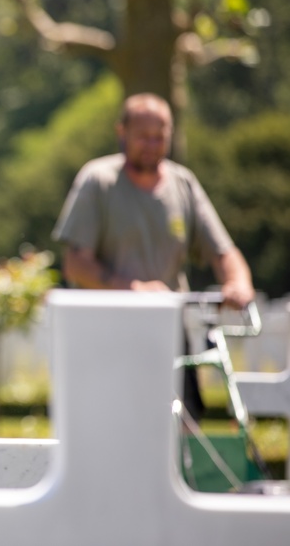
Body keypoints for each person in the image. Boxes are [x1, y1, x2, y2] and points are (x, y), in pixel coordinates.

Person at [51, 92, 254, 418]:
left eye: (160, 137)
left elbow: (222, 250)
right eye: (143, 137)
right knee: (111, 428)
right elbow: (76, 264)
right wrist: (134, 289)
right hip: (107, 335)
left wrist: (238, 283)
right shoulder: (98, 181)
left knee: (183, 428)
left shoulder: (183, 184)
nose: (152, 145)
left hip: (169, 333)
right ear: (122, 133)